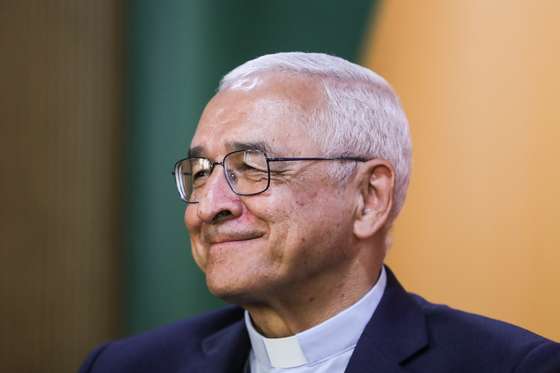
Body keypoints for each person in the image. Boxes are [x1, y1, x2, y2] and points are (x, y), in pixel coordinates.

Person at [80, 52, 560, 373]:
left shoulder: (512, 366)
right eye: (201, 171)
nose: (210, 206)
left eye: (251, 167)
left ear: (369, 198)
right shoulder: (125, 366)